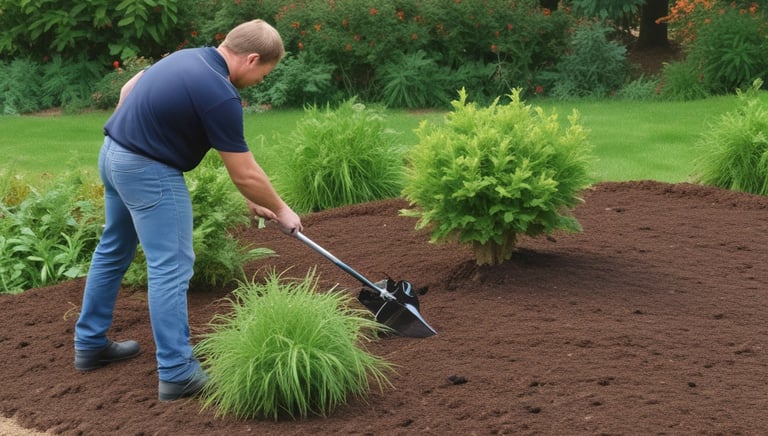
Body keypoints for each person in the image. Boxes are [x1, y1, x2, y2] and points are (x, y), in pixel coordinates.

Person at [73, 19, 303, 402]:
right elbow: (245, 172)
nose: (263, 79)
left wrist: (132, 127)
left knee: (113, 249)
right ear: (252, 58)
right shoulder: (221, 94)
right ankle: (177, 372)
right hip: (149, 171)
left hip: (114, 155)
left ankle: (90, 344)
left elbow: (134, 83)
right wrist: (282, 208)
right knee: (171, 265)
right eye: (266, 71)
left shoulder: (189, 58)